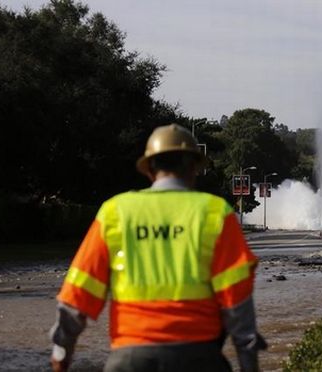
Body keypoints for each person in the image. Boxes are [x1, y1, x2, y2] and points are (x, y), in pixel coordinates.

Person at [49, 124, 266, 372]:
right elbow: (238, 306)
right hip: (199, 358)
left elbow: (76, 298)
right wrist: (250, 365)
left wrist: (61, 356)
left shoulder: (115, 212)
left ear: (150, 169)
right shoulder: (216, 213)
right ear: (193, 167)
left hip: (129, 359)